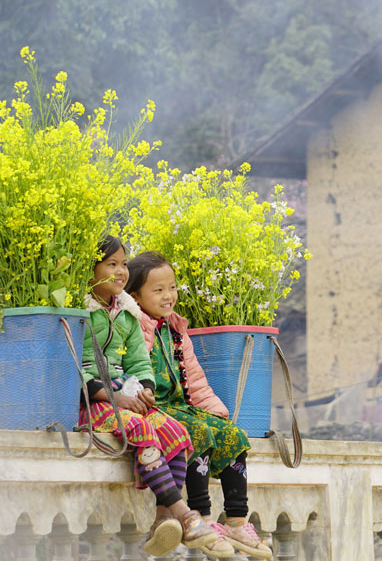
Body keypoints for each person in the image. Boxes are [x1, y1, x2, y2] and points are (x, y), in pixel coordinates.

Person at [127, 250, 273, 559]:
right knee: (197, 432)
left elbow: (193, 378)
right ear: (135, 296)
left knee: (232, 435)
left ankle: (235, 521)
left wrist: (217, 413)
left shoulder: (175, 329)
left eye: (172, 287)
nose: (169, 296)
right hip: (156, 409)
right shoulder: (132, 326)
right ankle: (202, 517)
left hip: (181, 405)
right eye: (158, 290)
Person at [81, 236, 216, 556]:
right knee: (141, 428)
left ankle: (161, 519)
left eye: (123, 264)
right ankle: (184, 515)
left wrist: (147, 391)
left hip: (122, 391)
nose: (120, 271)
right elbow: (69, 362)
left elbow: (140, 362)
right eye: (111, 264)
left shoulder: (126, 311)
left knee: (176, 432)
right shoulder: (78, 310)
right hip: (92, 399)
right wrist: (110, 397)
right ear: (90, 270)